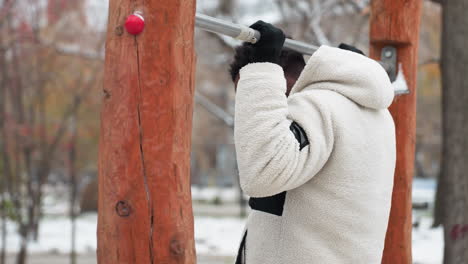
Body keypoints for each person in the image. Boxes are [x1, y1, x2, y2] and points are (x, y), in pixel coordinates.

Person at [229, 20, 396, 264]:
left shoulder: (318, 108)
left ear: (277, 81)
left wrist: (261, 69)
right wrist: (352, 69)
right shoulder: (371, 115)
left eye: (250, 94)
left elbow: (263, 171)